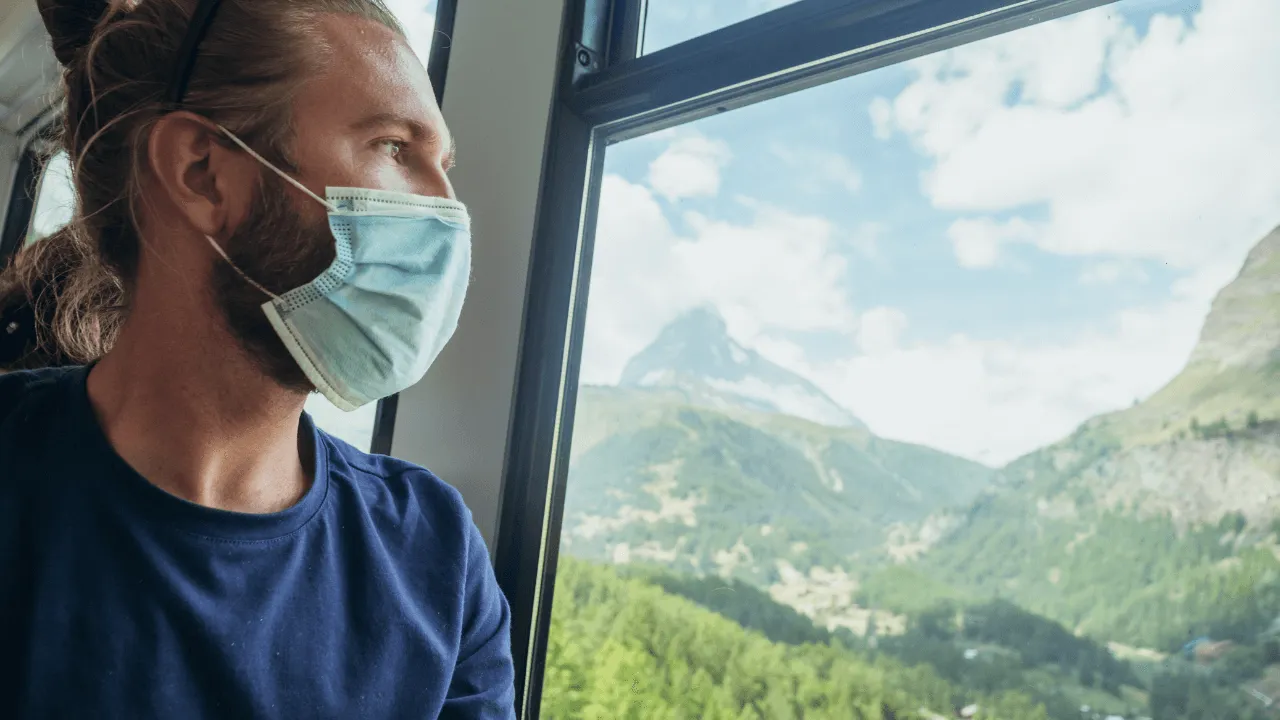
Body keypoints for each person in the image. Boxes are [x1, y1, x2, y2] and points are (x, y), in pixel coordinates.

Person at [0, 0, 517, 717]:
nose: (447, 211)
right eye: (394, 147)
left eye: (444, 164)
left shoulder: (436, 556)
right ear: (203, 172)